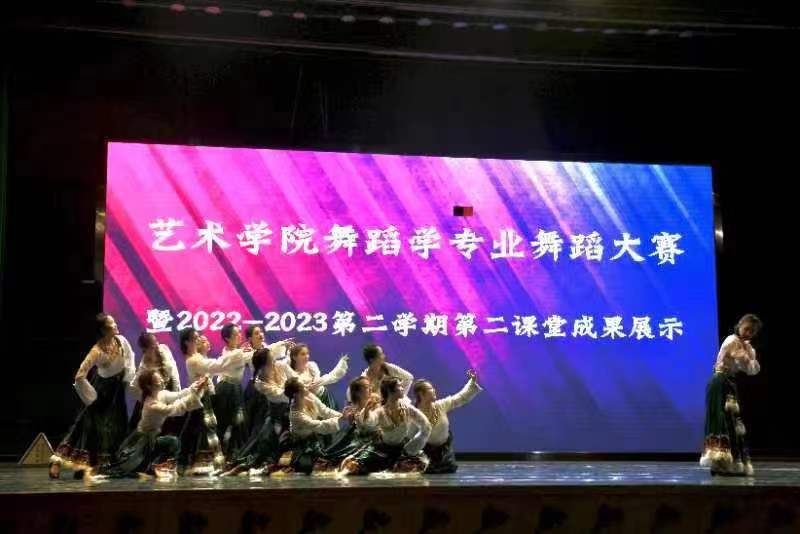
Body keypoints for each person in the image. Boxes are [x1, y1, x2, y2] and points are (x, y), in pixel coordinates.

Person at [50, 313, 135, 479]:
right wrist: (91, 397)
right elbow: (79, 376)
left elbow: (130, 358)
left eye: (114, 322)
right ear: (103, 330)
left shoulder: (121, 341)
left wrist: (127, 379)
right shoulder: (96, 351)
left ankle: (87, 466)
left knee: (111, 430)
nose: (116, 325)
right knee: (85, 427)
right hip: (102, 391)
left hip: (116, 392)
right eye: (112, 324)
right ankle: (57, 461)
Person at [96, 371, 207, 478]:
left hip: (152, 438)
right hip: (143, 441)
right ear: (149, 386)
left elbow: (178, 395)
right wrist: (195, 395)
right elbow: (173, 409)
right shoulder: (152, 405)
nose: (162, 381)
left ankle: (159, 465)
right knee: (172, 443)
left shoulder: (160, 394)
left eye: (161, 378)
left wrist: (195, 387)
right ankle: (156, 466)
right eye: (158, 380)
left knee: (172, 442)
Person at [700, 314, 762, 476]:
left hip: (729, 384)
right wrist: (749, 353)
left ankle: (733, 464)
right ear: (740, 325)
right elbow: (743, 361)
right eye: (746, 329)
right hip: (719, 382)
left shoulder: (745, 346)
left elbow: (751, 370)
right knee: (721, 421)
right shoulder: (732, 340)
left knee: (733, 422)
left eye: (752, 331)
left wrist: (750, 352)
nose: (748, 333)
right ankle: (719, 462)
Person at [341, 377, 431, 475]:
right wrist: (367, 411)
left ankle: (393, 466)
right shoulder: (381, 411)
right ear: (389, 390)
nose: (402, 388)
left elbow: (425, 425)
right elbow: (370, 421)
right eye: (399, 386)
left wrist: (414, 444)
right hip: (382, 449)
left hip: (401, 449)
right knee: (355, 466)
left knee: (420, 463)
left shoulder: (407, 409)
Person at [413, 370, 482, 473]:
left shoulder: (440, 405)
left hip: (444, 454)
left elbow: (460, 397)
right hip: (424, 454)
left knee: (448, 470)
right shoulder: (414, 413)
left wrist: (472, 382)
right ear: (421, 394)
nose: (434, 390)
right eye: (430, 389)